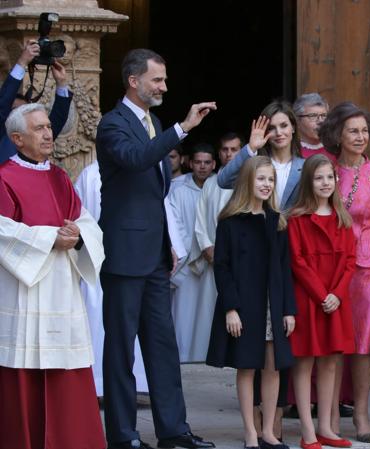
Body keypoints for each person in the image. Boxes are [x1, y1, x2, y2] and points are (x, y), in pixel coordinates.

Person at [96, 48, 216, 449]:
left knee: (163, 347)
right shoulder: (112, 124)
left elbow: (157, 192)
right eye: (157, 80)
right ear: (134, 81)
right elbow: (134, 160)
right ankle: (123, 436)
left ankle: (173, 430)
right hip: (124, 253)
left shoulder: (154, 122)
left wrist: (170, 242)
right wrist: (182, 129)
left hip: (154, 255)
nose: (164, 86)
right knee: (120, 351)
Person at [0, 103, 105, 448]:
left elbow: (86, 221)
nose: (48, 133)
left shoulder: (60, 177)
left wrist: (78, 234)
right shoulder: (4, 177)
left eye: (48, 126)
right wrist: (48, 239)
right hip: (25, 290)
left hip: (61, 289)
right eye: (39, 129)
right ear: (17, 139)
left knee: (67, 366)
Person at [319, 102, 370, 443]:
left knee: (365, 345)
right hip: (333, 266)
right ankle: (331, 413)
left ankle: (363, 414)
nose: (360, 136)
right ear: (338, 134)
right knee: (334, 341)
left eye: (365, 130)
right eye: (353, 130)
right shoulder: (324, 171)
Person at [207, 155, 296, 449]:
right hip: (245, 307)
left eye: (270, 179)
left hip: (273, 306)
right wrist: (230, 308)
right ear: (247, 181)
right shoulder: (230, 223)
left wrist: (288, 310)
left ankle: (269, 430)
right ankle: (250, 431)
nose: (266, 184)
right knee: (246, 367)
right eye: (260, 179)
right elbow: (222, 267)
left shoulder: (277, 222)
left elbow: (285, 269)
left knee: (272, 367)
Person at [287, 154, 356, 449]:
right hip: (309, 299)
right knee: (305, 364)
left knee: (330, 362)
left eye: (330, 177)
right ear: (308, 182)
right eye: (319, 178)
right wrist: (322, 295)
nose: (325, 183)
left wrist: (337, 295)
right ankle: (308, 430)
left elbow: (351, 261)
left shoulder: (343, 218)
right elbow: (298, 261)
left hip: (335, 302)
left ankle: (327, 426)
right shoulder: (297, 219)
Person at [74, 160, 149, 397]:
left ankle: (134, 384)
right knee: (96, 319)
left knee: (129, 322)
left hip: (131, 255)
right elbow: (79, 212)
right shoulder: (89, 174)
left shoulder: (139, 167)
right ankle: (95, 384)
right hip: (96, 257)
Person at [188, 132, 243, 355]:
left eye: (234, 149)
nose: (229, 154)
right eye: (225, 150)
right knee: (209, 312)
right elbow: (200, 220)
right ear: (218, 153)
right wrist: (207, 247)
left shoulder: (249, 180)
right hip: (214, 260)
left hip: (242, 263)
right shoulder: (211, 183)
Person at [170, 143, 216, 362]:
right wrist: (192, 250)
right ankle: (183, 357)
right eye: (198, 162)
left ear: (213, 164)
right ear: (190, 163)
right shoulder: (178, 189)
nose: (202, 167)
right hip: (187, 262)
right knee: (184, 314)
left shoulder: (221, 187)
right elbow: (174, 225)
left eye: (207, 163)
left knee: (208, 313)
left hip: (213, 261)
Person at [0, 39, 73, 163]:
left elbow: (58, 118)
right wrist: (22, 62)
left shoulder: (37, 136)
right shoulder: (4, 135)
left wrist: (61, 83)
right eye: (15, 113)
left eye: (25, 114)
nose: (21, 118)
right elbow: (3, 103)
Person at [293, 93, 334, 162]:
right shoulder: (292, 151)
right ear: (297, 121)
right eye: (313, 116)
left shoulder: (335, 149)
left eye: (323, 115)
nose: (320, 121)